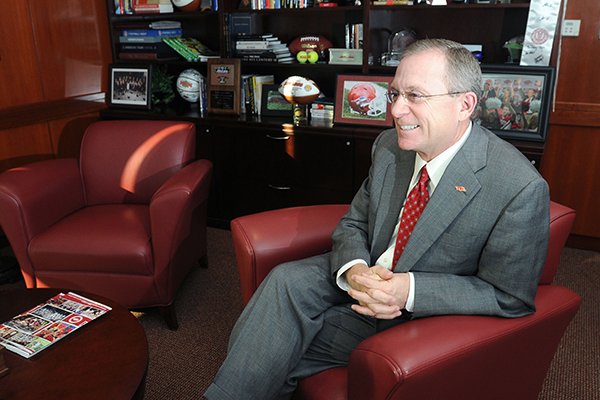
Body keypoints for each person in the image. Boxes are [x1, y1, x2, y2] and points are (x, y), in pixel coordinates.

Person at [204, 38, 550, 400]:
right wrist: (354, 269)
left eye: (415, 96)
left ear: (464, 104)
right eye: (395, 94)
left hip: (416, 315)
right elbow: (354, 223)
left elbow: (509, 297)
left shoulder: (518, 187)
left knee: (275, 345)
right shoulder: (389, 147)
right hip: (365, 277)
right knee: (285, 281)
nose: (397, 111)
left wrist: (409, 290)